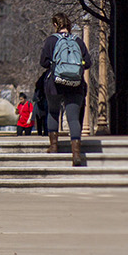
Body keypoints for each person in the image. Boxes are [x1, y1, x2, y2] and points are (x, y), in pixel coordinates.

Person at [39, 12, 90, 167]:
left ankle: (53, 146)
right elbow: (87, 63)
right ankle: (76, 154)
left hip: (55, 83)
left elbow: (43, 62)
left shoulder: (51, 41)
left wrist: (56, 65)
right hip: (75, 84)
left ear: (55, 25)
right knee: (73, 117)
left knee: (53, 112)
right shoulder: (78, 41)